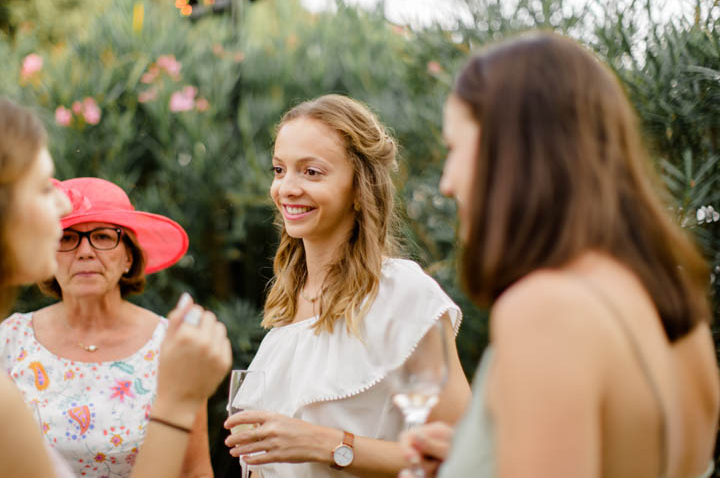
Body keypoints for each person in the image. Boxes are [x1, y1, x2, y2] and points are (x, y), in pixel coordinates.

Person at [399, 32, 720, 478]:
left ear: (510, 151)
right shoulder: (676, 312)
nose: (447, 183)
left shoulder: (545, 309)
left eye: (454, 148)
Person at [0, 91, 231, 478]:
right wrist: (175, 403)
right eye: (40, 187)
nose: (66, 207)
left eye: (102, 236)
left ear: (129, 256)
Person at [224, 94, 472, 477]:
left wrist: (326, 444)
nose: (286, 188)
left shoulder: (402, 295)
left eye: (312, 172)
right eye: (279, 169)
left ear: (359, 188)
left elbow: (462, 455)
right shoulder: (287, 310)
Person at [0, 176, 212, 478]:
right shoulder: (5, 343)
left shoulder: (173, 345)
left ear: (129, 256)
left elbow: (194, 471)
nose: (86, 251)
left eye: (103, 237)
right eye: (67, 238)